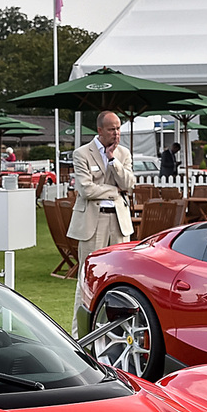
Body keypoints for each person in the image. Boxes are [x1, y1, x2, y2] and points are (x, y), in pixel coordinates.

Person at [66, 110, 135, 332]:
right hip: (92, 224)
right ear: (99, 130)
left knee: (120, 277)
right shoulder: (82, 154)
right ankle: (79, 335)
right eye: (112, 129)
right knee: (88, 278)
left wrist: (113, 161)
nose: (116, 134)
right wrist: (114, 191)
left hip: (119, 223)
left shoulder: (123, 154)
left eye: (118, 129)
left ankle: (117, 331)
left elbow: (129, 183)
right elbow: (86, 190)